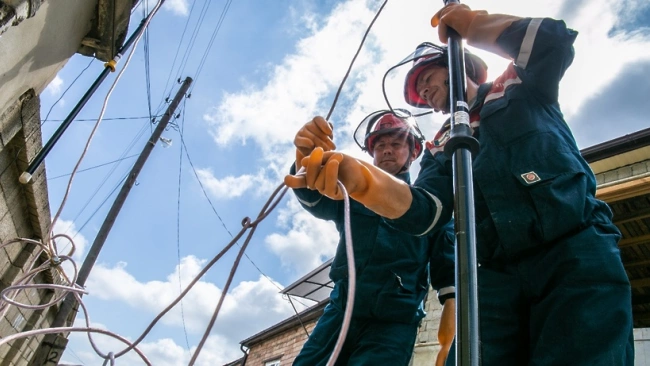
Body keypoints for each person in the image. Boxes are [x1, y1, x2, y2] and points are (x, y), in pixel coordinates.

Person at [286, 4, 634, 365]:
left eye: (427, 77)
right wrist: (362, 182)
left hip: (575, 252)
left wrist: (477, 26)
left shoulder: (519, 86)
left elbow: (552, 43)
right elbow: (427, 211)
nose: (423, 89)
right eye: (419, 89)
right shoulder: (443, 147)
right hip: (496, 277)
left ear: (459, 65)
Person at [289, 111, 456, 366]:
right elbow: (317, 201)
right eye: (380, 145)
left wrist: (449, 338)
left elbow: (448, 276)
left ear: (413, 153)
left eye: (396, 144)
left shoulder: (429, 208)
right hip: (341, 311)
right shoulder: (353, 191)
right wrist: (305, 163)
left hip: (394, 322)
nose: (387, 150)